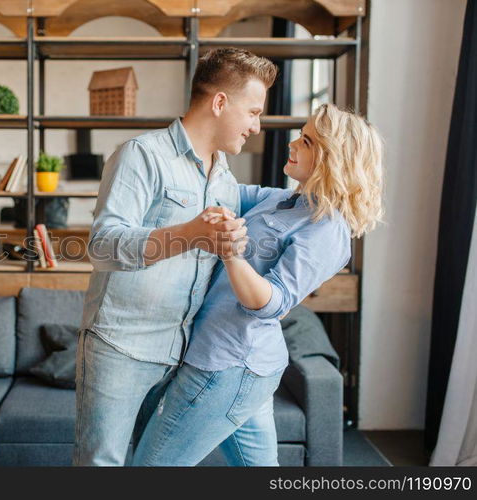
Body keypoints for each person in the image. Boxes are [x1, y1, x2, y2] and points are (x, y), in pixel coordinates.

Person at [131, 103, 384, 466]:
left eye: (307, 141)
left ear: (333, 158)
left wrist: (232, 254)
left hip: (227, 365)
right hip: (240, 363)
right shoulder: (284, 200)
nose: (292, 144)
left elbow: (272, 302)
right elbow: (222, 191)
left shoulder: (328, 230)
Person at [74, 48, 278, 466]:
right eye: (253, 112)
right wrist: (189, 235)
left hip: (181, 352)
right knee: (101, 465)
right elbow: (103, 244)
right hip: (120, 345)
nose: (257, 127)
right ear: (220, 102)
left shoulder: (225, 177)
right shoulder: (142, 155)